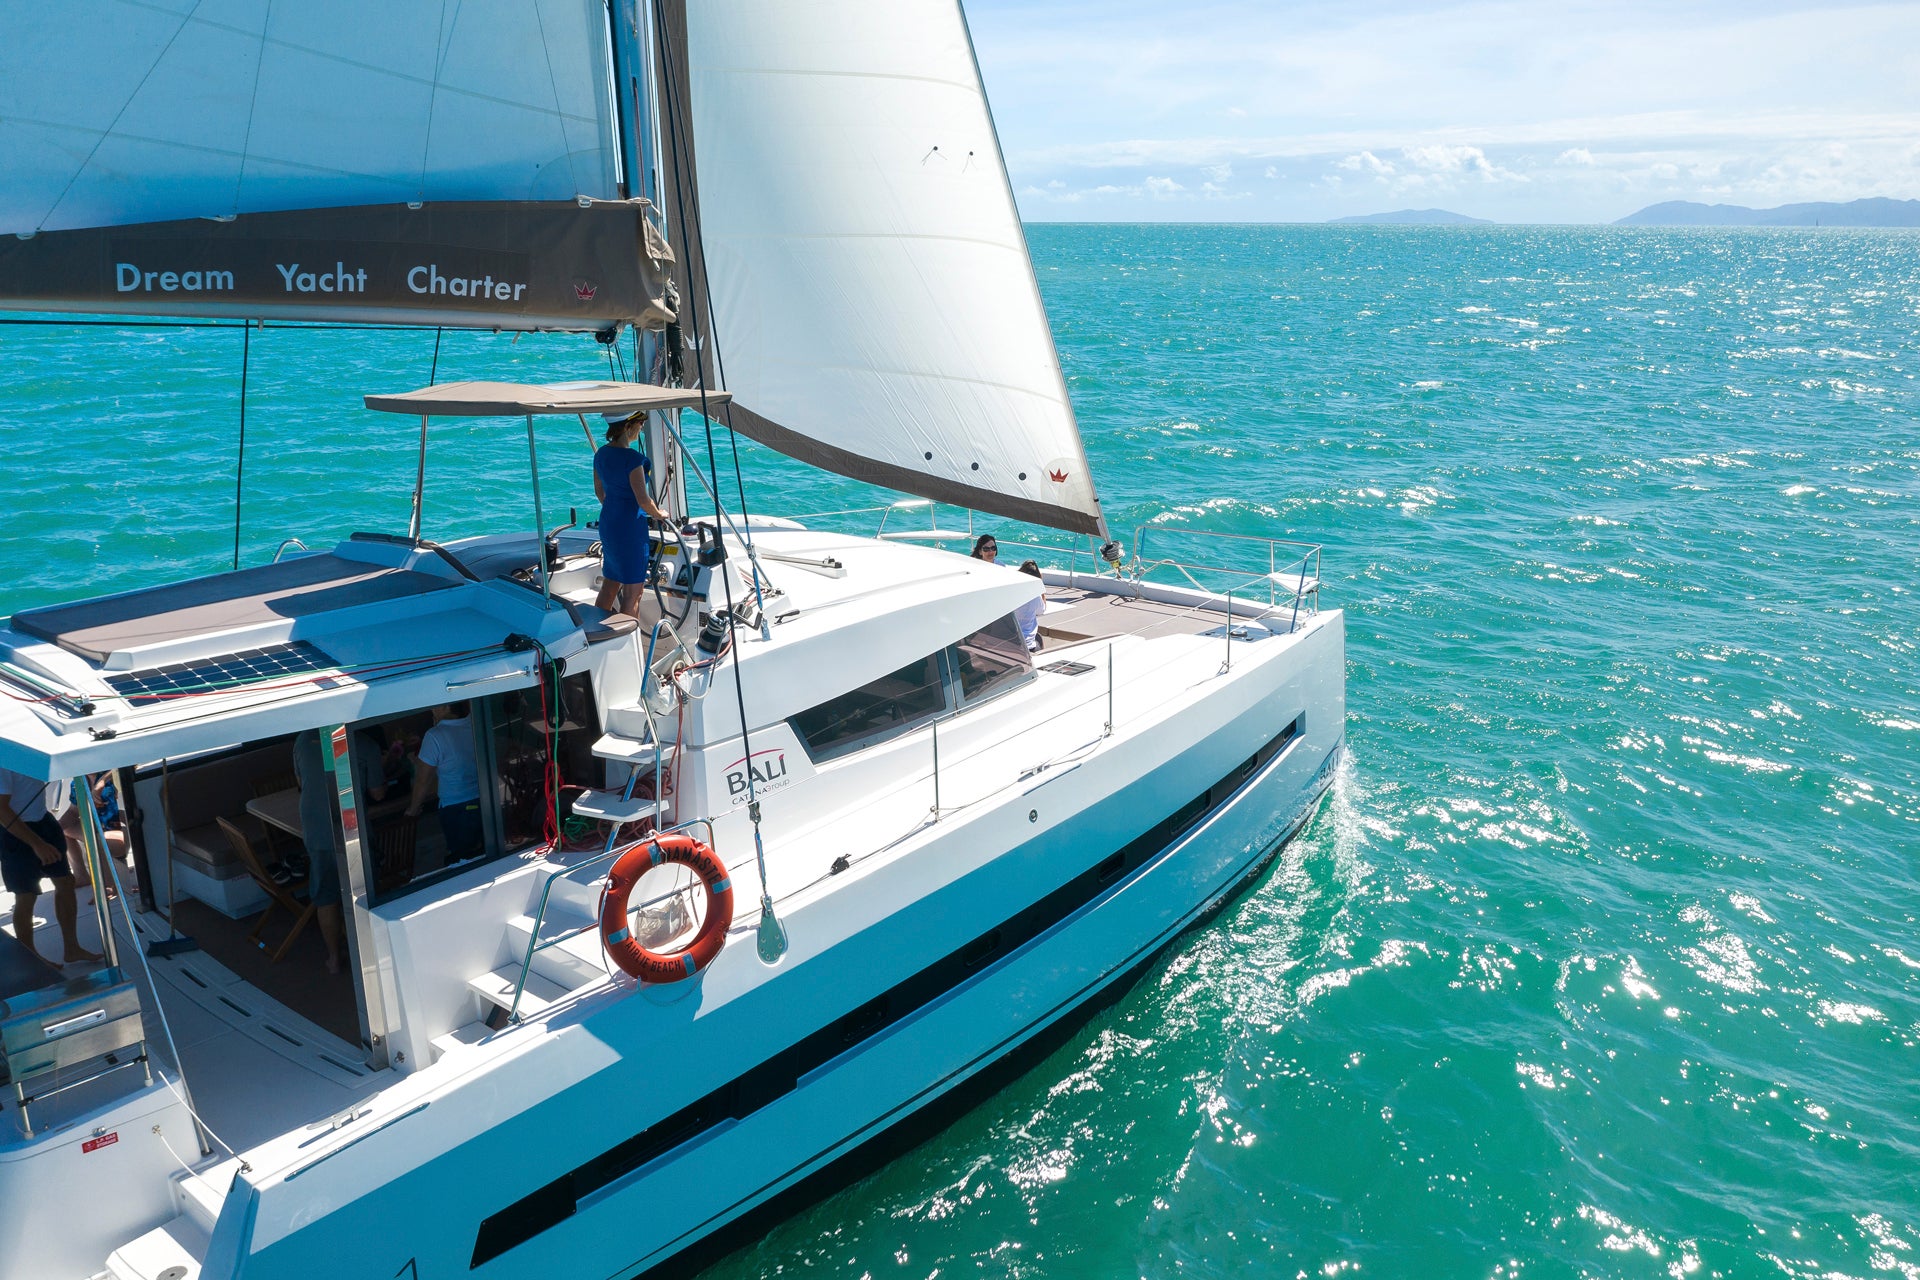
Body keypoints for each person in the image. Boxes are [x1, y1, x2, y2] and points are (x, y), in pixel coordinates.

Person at [0, 765, 102, 966]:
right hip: (15, 832)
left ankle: (72, 948)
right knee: (26, 895)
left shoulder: (30, 748)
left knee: (65, 882)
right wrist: (37, 844)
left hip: (43, 821)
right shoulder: (4, 757)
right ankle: (31, 961)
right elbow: (1, 810)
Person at [593, 412, 674, 615]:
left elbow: (599, 492)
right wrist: (658, 514)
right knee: (633, 593)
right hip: (630, 528)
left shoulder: (601, 454)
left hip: (609, 523)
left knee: (610, 584)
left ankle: (597, 630)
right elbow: (643, 499)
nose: (641, 427)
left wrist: (615, 507)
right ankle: (628, 642)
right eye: (640, 423)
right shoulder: (634, 460)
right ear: (628, 427)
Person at [291, 729, 348, 974]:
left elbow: (302, 783)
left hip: (317, 829)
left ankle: (334, 958)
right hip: (347, 828)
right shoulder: (349, 738)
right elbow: (376, 791)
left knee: (326, 896)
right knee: (361, 891)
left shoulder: (303, 740)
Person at [407, 703, 482, 864]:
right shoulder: (475, 723)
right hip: (482, 799)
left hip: (456, 808)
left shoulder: (434, 735)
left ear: (447, 706)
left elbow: (423, 779)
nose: (431, 709)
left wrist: (413, 809)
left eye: (435, 705)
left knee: (461, 860)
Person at [1014, 559, 1045, 651]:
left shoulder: (1011, 594)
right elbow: (1042, 610)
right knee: (1038, 638)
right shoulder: (1035, 597)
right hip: (1027, 646)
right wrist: (1041, 589)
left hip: (1010, 642)